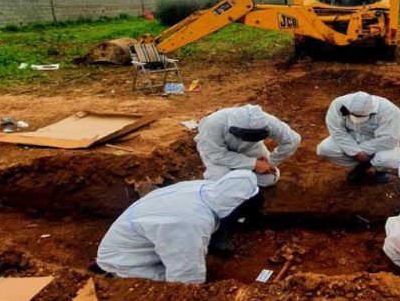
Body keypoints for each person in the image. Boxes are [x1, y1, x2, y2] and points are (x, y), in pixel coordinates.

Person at [96, 171, 261, 284]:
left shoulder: (208, 188)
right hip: (126, 262)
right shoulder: (188, 223)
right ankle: (115, 277)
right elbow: (185, 279)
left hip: (143, 238)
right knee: (169, 283)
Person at [195, 105, 301, 187]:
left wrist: (271, 161)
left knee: (270, 178)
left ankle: (242, 178)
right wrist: (253, 164)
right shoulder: (213, 124)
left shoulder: (267, 122)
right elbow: (217, 155)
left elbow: (292, 140)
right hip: (216, 152)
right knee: (221, 181)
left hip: (249, 148)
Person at [316, 91, 400, 183]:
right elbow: (337, 131)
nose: (357, 118)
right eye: (354, 115)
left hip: (379, 143)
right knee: (325, 149)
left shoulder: (388, 111)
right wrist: (356, 152)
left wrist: (363, 151)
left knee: (387, 159)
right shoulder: (338, 104)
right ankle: (363, 168)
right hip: (352, 137)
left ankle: (379, 170)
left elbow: (389, 139)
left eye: (361, 116)